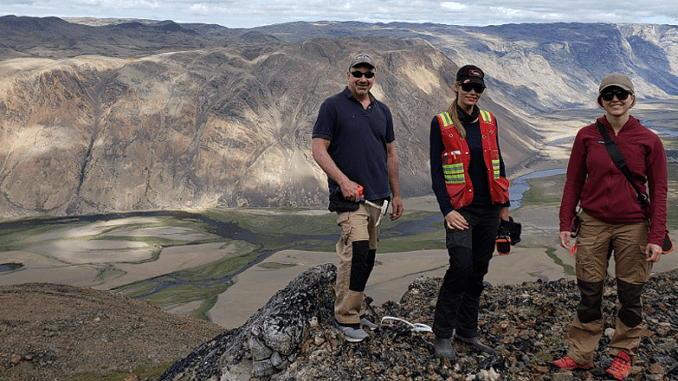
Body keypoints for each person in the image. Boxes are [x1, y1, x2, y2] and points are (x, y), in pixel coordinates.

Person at [555, 73, 668, 380]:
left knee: (630, 293)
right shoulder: (586, 136)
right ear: (600, 101)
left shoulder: (650, 141)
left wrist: (656, 236)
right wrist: (566, 222)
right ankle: (581, 355)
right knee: (589, 291)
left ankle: (623, 354)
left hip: (634, 226)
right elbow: (573, 182)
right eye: (609, 95)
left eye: (621, 94)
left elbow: (659, 192)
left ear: (632, 99)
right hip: (592, 223)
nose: (615, 99)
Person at [312, 53, 404, 343]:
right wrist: (343, 181)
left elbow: (391, 154)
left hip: (379, 198)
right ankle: (345, 316)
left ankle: (357, 307)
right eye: (357, 73)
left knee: (368, 258)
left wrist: (397, 194)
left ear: (374, 77)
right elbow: (318, 149)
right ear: (348, 75)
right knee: (356, 254)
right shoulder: (333, 107)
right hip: (349, 199)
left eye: (369, 74)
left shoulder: (382, 111)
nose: (363, 79)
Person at [429, 65, 510, 361]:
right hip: (461, 209)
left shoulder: (489, 120)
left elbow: (498, 161)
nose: (472, 92)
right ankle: (441, 334)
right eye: (467, 87)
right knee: (460, 266)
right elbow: (437, 172)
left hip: (490, 208)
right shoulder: (441, 123)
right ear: (456, 87)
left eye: (478, 88)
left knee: (477, 272)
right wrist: (447, 210)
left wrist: (505, 206)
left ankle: (467, 331)